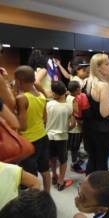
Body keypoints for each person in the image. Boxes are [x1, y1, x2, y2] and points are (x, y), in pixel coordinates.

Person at [15, 65, 51, 193]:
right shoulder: (41, 95)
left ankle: (33, 205)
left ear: (19, 81)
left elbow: (22, 126)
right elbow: (45, 119)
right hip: (43, 137)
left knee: (31, 177)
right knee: (45, 170)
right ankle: (47, 197)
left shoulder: (21, 98)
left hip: (28, 143)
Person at [46, 81, 74, 191]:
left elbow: (44, 119)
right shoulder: (68, 107)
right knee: (63, 160)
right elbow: (73, 124)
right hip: (62, 137)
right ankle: (61, 182)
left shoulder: (48, 104)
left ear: (54, 93)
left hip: (49, 136)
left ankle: (54, 175)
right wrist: (67, 129)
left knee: (52, 158)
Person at [66, 81, 86, 173]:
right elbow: (77, 114)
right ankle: (74, 164)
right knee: (75, 148)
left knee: (73, 147)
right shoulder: (74, 100)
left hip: (70, 126)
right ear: (78, 89)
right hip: (75, 128)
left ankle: (75, 160)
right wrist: (82, 123)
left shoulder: (68, 97)